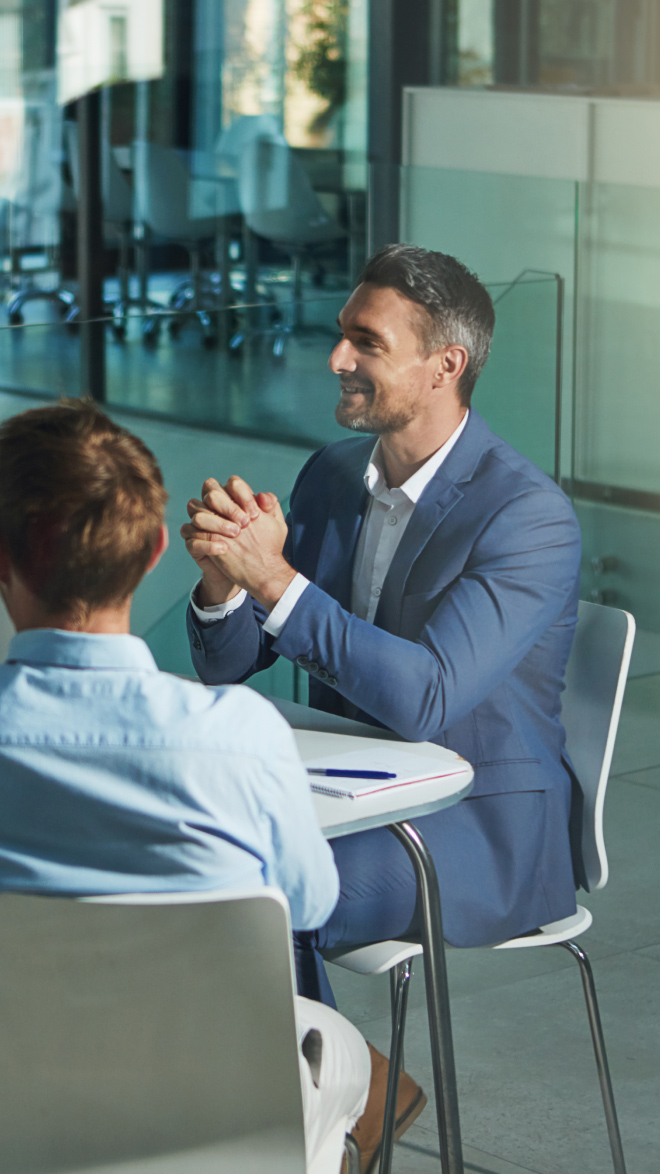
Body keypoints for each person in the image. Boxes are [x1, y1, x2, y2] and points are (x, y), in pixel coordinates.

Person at [0, 400, 370, 1174]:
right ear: (153, 553)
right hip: (225, 1125)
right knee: (338, 1055)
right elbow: (308, 904)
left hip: (29, 1125)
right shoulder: (242, 735)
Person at [181, 244, 582, 1168]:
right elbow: (229, 665)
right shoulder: (333, 476)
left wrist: (275, 581)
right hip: (347, 798)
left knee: (259, 896)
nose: (337, 358)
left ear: (446, 365)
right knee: (182, 865)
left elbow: (426, 698)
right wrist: (223, 585)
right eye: (342, 335)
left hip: (477, 826)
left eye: (366, 342)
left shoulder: (527, 515)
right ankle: (355, 1088)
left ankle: (290, 1135)